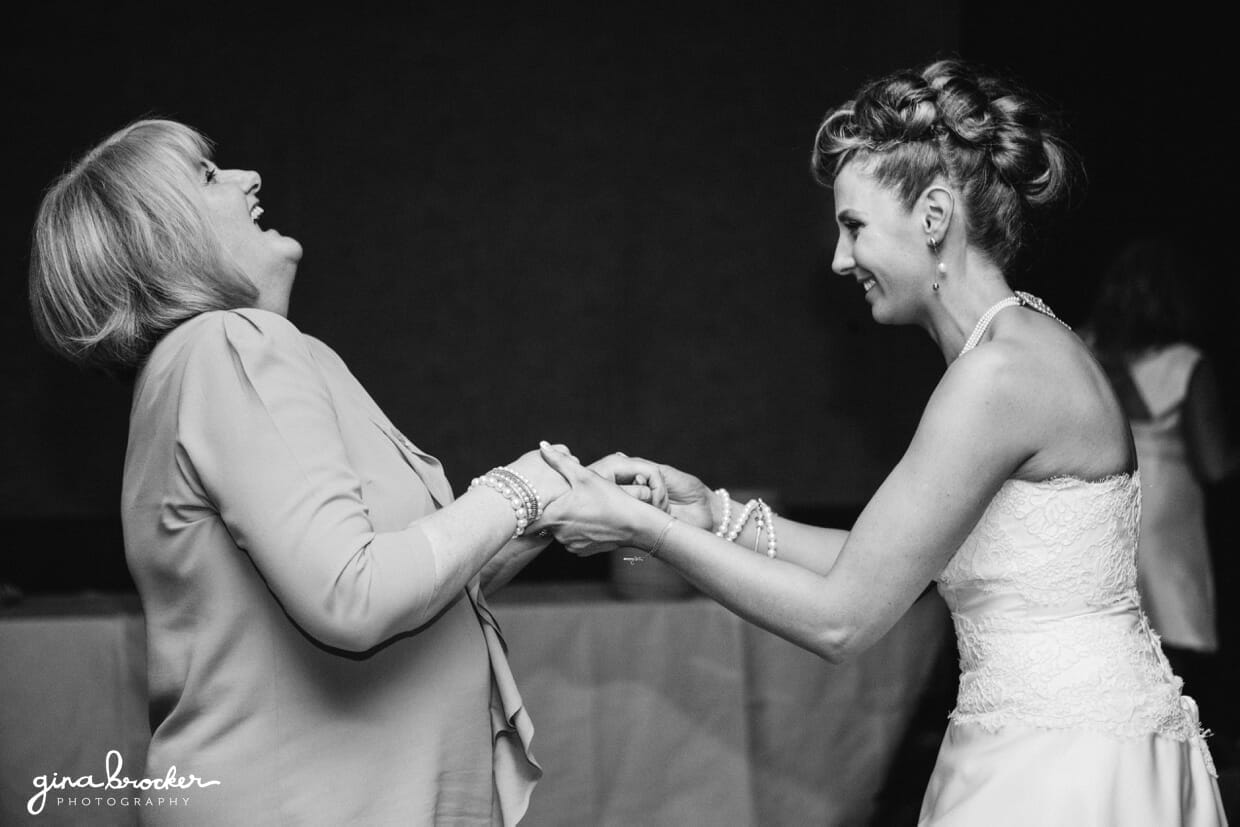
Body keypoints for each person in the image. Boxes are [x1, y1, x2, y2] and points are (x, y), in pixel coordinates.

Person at [534, 61, 1228, 824]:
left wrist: (647, 531)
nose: (839, 258)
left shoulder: (1000, 376)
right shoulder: (1012, 347)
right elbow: (880, 563)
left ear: (933, 215)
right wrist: (714, 514)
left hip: (1065, 768)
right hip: (1055, 741)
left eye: (853, 225)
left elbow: (844, 618)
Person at [27, 119, 594, 825]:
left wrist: (556, 508)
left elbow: (399, 584)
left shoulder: (213, 364)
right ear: (160, 236)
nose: (248, 178)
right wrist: (522, 486)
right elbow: (353, 595)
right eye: (208, 174)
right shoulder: (229, 345)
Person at [1087, 238, 1240, 749]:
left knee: (1117, 648)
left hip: (1104, 507)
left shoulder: (1084, 350)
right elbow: (1216, 463)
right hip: (1167, 519)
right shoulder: (1186, 363)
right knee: (1177, 652)